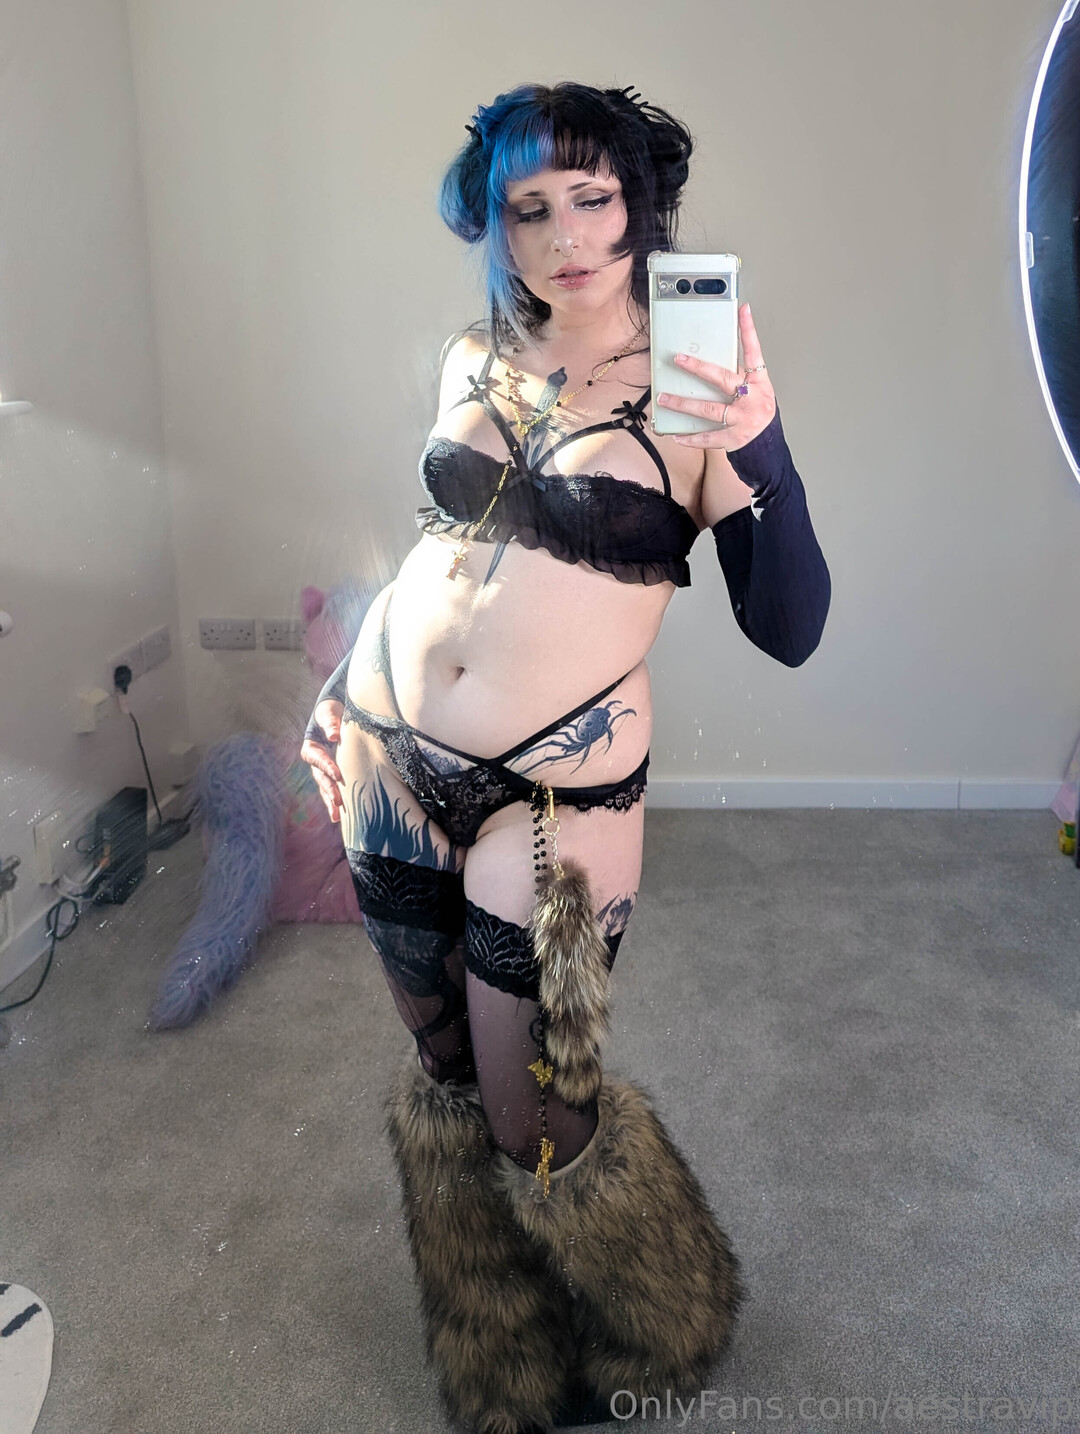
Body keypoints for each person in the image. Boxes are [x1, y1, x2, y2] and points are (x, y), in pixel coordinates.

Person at [300, 81, 830, 1434]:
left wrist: (758, 438)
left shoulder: (700, 389)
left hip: (549, 795)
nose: (564, 237)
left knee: (535, 1109)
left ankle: (663, 1317)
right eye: (528, 209)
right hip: (387, 759)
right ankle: (500, 1349)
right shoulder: (474, 356)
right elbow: (442, 557)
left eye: (593, 198)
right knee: (442, 1075)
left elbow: (792, 626)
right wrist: (342, 685)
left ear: (641, 205)